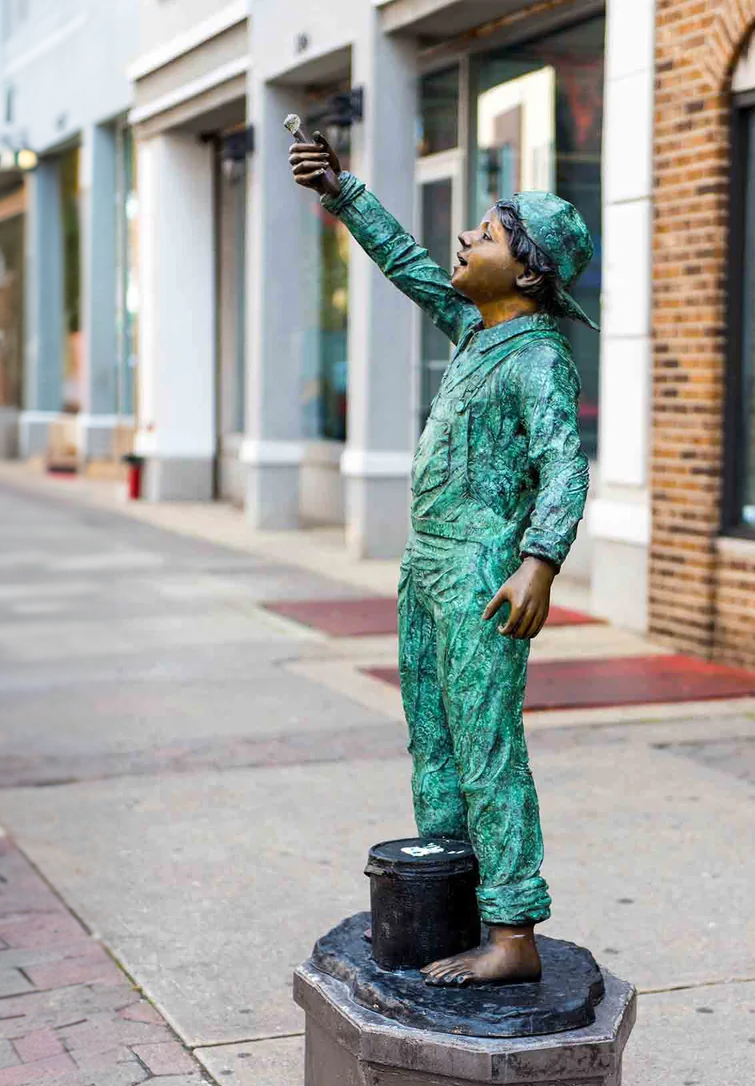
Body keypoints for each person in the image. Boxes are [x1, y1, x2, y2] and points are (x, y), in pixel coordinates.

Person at [290, 131, 593, 987]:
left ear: (529, 273)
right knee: (433, 740)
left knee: (486, 743)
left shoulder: (537, 357)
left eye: (488, 235)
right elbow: (405, 263)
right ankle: (448, 897)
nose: (465, 240)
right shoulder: (472, 329)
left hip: (480, 575)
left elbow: (566, 463)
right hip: (426, 567)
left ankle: (513, 928)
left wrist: (538, 560)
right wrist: (344, 190)